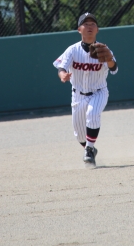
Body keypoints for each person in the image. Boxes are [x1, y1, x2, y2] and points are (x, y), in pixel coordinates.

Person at [53, 12, 118, 168]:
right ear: (79, 29)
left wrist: (109, 59)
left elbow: (114, 69)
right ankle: (90, 148)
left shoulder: (104, 49)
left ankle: (88, 149)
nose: (90, 27)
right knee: (79, 135)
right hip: (78, 95)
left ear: (97, 30)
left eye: (93, 24)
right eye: (86, 24)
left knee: (92, 114)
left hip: (99, 92)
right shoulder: (72, 50)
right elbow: (61, 67)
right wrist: (62, 75)